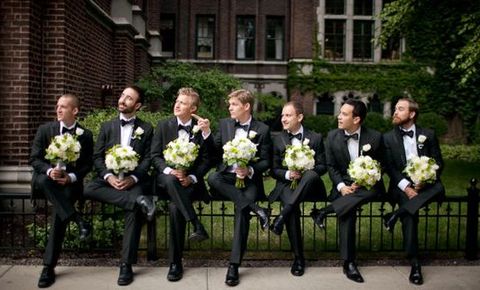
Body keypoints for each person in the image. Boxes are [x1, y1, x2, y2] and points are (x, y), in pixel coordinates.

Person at [84, 85, 155, 286]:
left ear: (138, 105)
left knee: (132, 213)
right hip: (109, 179)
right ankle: (138, 201)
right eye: (123, 96)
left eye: (129, 98)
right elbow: (97, 157)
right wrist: (108, 177)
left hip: (133, 180)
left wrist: (133, 179)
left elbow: (148, 159)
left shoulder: (147, 129)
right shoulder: (107, 127)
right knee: (88, 188)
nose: (122, 100)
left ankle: (126, 265)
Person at [311, 98, 385, 283]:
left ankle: (323, 212)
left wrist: (366, 178)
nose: (339, 116)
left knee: (365, 193)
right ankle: (348, 262)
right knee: (348, 209)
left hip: (369, 186)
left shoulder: (375, 137)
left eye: (344, 114)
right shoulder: (332, 136)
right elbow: (331, 166)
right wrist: (342, 187)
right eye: (340, 112)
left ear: (357, 119)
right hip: (343, 186)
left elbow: (382, 165)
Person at [207, 89, 272, 286]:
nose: (230, 108)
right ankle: (257, 210)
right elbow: (213, 151)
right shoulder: (225, 124)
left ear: (246, 106)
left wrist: (250, 169)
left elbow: (266, 162)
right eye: (230, 104)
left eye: (234, 104)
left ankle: (233, 266)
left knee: (241, 212)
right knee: (212, 178)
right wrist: (206, 133)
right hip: (226, 177)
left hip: (250, 181)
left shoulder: (262, 129)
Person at [30, 94, 94, 288]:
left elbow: (87, 165)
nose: (58, 110)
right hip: (46, 182)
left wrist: (70, 177)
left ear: (74, 111)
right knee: (42, 178)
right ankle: (79, 220)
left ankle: (48, 267)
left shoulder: (85, 135)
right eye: (58, 106)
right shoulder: (45, 130)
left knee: (60, 212)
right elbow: (34, 159)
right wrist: (50, 171)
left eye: (63, 107)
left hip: (69, 185)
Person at [151, 87, 213, 282]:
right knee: (170, 180)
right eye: (177, 101)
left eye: (183, 103)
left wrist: (192, 177)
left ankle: (175, 263)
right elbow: (154, 156)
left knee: (175, 207)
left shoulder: (200, 129)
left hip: (189, 183)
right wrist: (171, 171)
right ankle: (196, 224)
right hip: (166, 179)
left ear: (193, 108)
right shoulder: (163, 125)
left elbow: (208, 159)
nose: (177, 105)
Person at [383, 98, 445, 285]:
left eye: (400, 109)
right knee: (411, 213)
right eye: (395, 109)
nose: (395, 112)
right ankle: (415, 264)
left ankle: (394, 215)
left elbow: (439, 162)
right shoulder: (387, 138)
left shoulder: (429, 135)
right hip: (401, 185)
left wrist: (425, 180)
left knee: (439, 187)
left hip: (426, 184)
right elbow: (390, 168)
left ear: (412, 114)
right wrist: (407, 187)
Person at [269, 101, 327, 276]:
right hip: (288, 185)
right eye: (282, 115)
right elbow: (274, 170)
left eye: (288, 115)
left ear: (300, 117)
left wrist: (305, 171)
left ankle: (281, 216)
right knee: (291, 207)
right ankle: (299, 258)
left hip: (311, 186)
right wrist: (288, 174)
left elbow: (323, 166)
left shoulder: (315, 138)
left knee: (310, 175)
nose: (283, 119)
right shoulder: (278, 139)